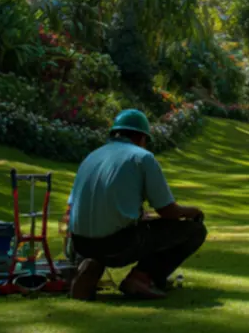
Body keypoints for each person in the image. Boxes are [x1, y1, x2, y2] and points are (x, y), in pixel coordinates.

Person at [64, 109, 206, 300]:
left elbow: (73, 207)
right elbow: (167, 211)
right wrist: (193, 212)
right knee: (195, 231)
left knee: (109, 238)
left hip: (80, 243)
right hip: (117, 245)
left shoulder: (92, 156)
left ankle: (90, 264)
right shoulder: (142, 157)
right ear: (141, 137)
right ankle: (141, 278)